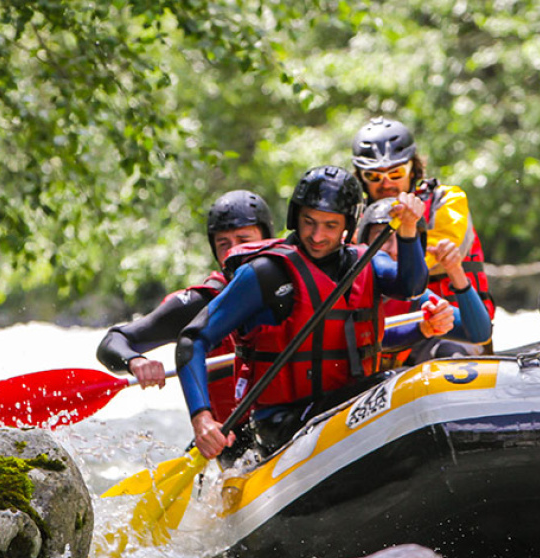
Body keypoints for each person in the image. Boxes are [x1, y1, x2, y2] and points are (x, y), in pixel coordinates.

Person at [176, 165, 429, 460]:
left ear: (348, 223)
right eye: (309, 222)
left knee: (398, 384)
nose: (317, 236)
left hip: (350, 408)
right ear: (295, 217)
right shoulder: (266, 273)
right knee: (384, 388)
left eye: (330, 225)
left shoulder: (369, 262)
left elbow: (411, 287)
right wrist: (202, 418)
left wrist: (409, 229)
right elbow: (192, 340)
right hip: (281, 425)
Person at [97, 190, 274, 426]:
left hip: (297, 422)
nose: (234, 252)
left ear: (267, 238)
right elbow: (114, 340)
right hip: (234, 439)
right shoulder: (198, 304)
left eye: (244, 241)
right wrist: (135, 361)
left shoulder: (296, 283)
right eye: (224, 244)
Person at [351, 116, 495, 354]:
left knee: (448, 352)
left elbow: (420, 261)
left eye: (396, 173)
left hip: (452, 330)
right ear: (362, 178)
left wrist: (385, 257)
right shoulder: (356, 219)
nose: (386, 183)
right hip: (387, 332)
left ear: (412, 169)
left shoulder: (446, 200)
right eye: (374, 177)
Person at [357, 198, 492, 368]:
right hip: (351, 384)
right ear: (363, 243)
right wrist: (420, 329)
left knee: (448, 350)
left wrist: (455, 270)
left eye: (402, 237)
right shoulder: (348, 286)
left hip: (392, 381)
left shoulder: (416, 295)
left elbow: (479, 334)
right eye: (383, 238)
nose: (394, 250)